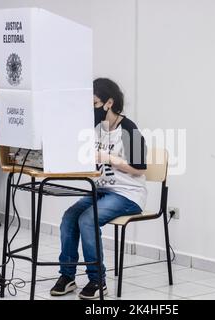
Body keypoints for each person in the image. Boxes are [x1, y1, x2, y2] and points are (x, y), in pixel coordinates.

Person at [50, 78, 148, 299]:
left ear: (109, 103)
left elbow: (140, 168)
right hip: (102, 191)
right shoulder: (95, 128)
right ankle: (67, 276)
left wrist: (109, 158)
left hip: (128, 194)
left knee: (88, 219)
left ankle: (97, 280)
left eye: (94, 104)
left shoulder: (128, 128)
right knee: (69, 217)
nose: (91, 110)